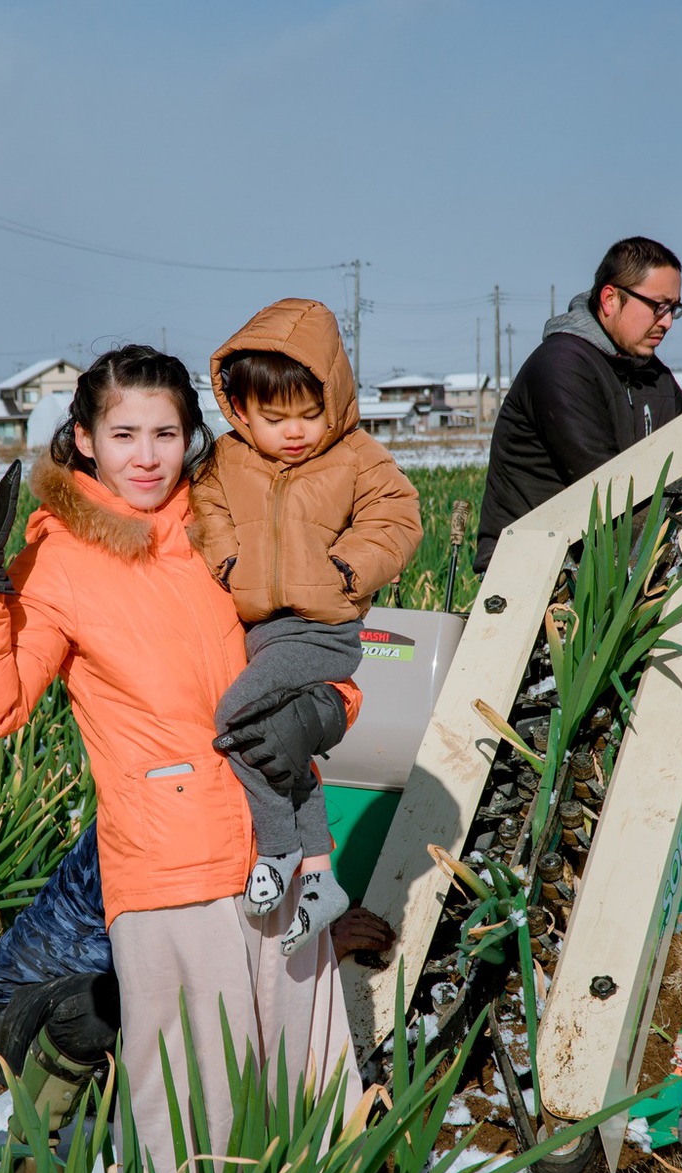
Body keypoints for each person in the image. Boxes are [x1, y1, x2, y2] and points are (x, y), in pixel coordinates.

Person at [0, 345, 369, 1173]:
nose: (146, 455)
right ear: (85, 440)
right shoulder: (62, 564)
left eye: (166, 432)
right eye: (123, 433)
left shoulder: (228, 535)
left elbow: (323, 656)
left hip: (287, 852)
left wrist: (322, 710)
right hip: (170, 877)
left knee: (316, 1101)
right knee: (198, 1121)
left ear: (192, 436)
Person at [190, 298, 423, 955]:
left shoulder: (356, 456)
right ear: (240, 411)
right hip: (262, 633)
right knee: (276, 747)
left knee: (234, 718)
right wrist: (225, 554)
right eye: (274, 416)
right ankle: (321, 878)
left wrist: (347, 569)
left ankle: (280, 852)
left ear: (335, 400)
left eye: (309, 413)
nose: (293, 431)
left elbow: (398, 518)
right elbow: (205, 509)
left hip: (320, 632)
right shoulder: (226, 463)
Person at [0, 822, 395, 1173]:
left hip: (136, 1038)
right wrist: (318, 948)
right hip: (26, 1022)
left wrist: (323, 928)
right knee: (104, 1005)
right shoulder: (147, 825)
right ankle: (26, 1160)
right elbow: (202, 955)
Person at [475, 236, 682, 571]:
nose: (667, 322)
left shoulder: (651, 373)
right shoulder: (561, 366)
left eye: (673, 308)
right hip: (540, 569)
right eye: (657, 307)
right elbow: (605, 480)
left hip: (612, 559)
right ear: (609, 299)